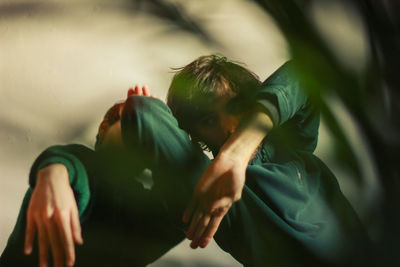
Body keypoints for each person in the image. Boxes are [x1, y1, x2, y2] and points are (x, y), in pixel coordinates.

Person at [1, 55, 371, 267]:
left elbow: (306, 71)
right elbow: (139, 117)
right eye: (209, 121)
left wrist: (237, 152)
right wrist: (56, 171)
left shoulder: (294, 153)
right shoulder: (213, 201)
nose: (228, 127)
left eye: (238, 107)